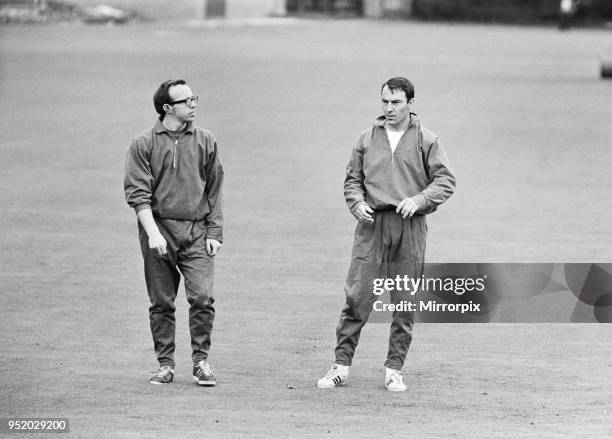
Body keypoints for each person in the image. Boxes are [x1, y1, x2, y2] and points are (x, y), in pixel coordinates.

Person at [317, 77, 456, 391]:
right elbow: (352, 179)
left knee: (404, 302)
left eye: (396, 102)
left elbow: (445, 181)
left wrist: (420, 200)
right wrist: (356, 203)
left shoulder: (427, 140)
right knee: (358, 296)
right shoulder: (367, 138)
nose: (389, 108)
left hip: (410, 227)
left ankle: (394, 369)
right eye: (385, 102)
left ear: (410, 103)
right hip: (371, 227)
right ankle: (340, 366)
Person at [124, 79, 224, 386]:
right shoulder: (144, 143)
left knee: (203, 298)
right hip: (159, 230)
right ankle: (165, 364)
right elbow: (137, 194)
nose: (194, 103)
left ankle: (201, 362)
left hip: (196, 231)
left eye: (194, 97)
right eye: (186, 100)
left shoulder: (206, 140)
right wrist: (153, 233)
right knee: (162, 302)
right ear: (168, 108)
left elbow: (215, 188)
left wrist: (214, 232)